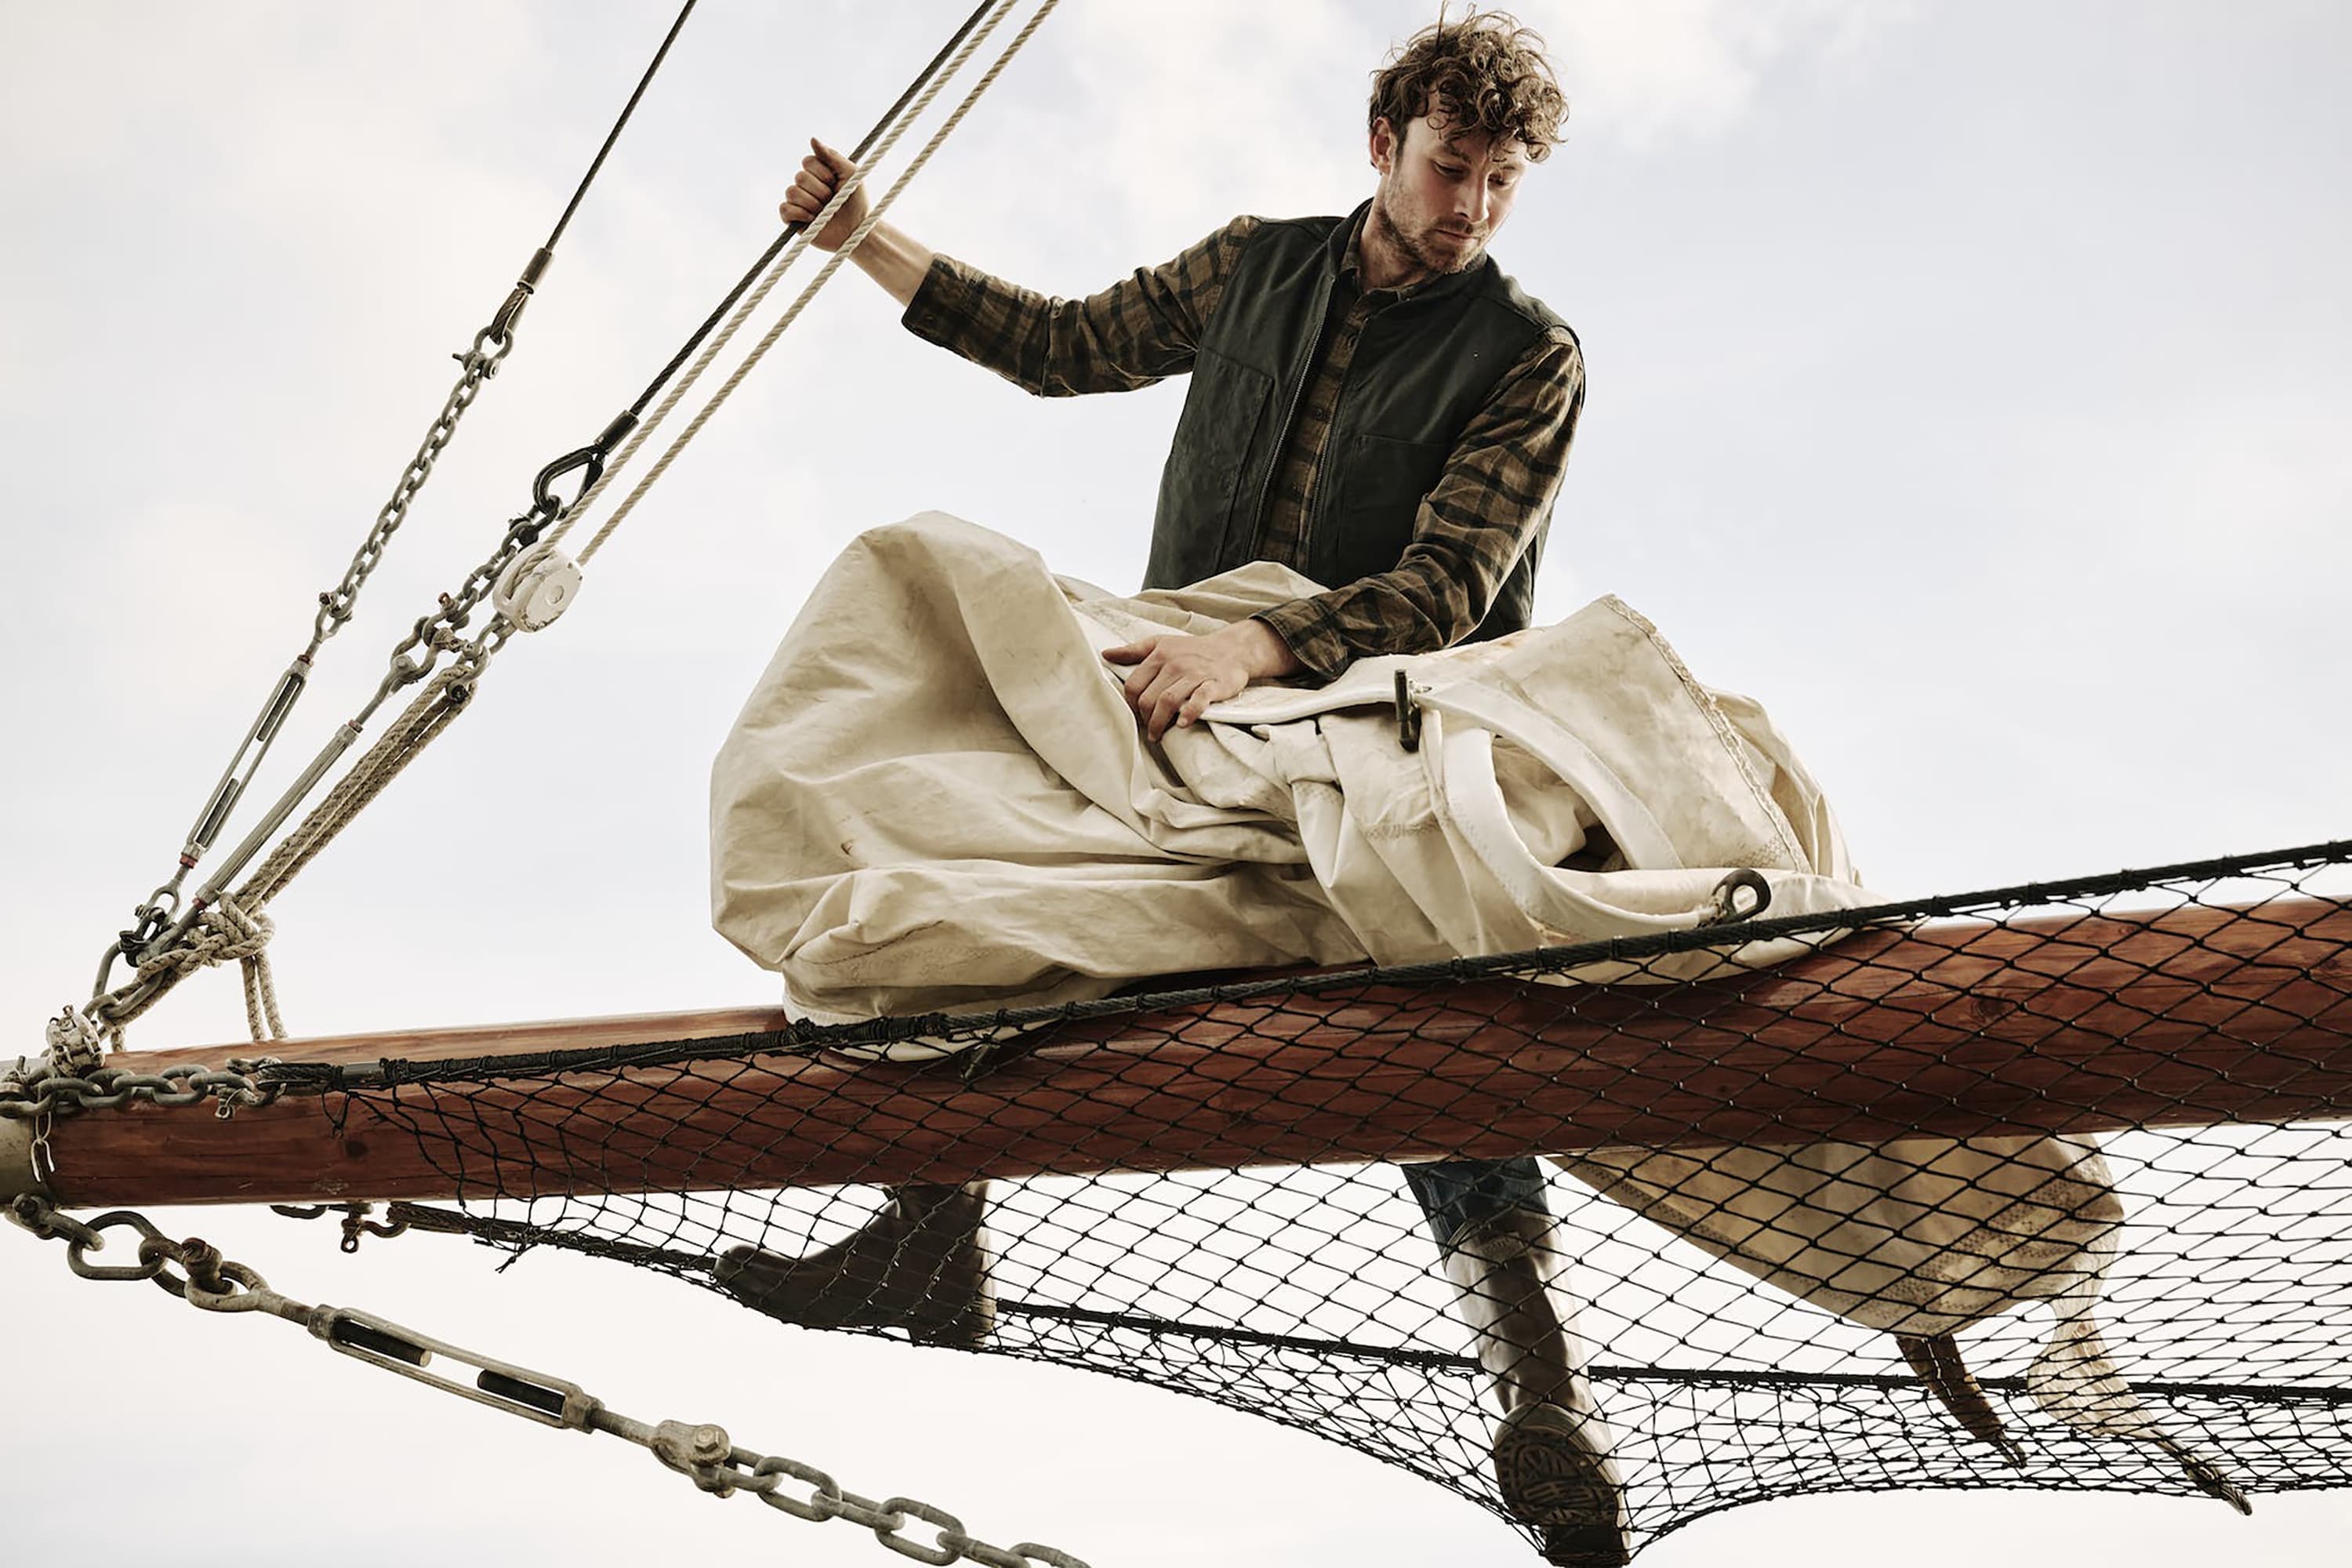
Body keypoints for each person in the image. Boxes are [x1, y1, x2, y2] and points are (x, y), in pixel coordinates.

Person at [717, 13, 1624, 1564]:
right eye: (1449, 165)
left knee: (1424, 966)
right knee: (953, 810)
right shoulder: (1255, 265)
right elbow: (1068, 346)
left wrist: (1262, 643)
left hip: (1384, 702)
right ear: (1382, 145)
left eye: (1501, 180)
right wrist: (865, 240)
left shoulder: (1529, 357)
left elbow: (1454, 585)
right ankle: (933, 1233)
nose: (1471, 203)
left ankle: (1543, 1388)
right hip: (1175, 689)